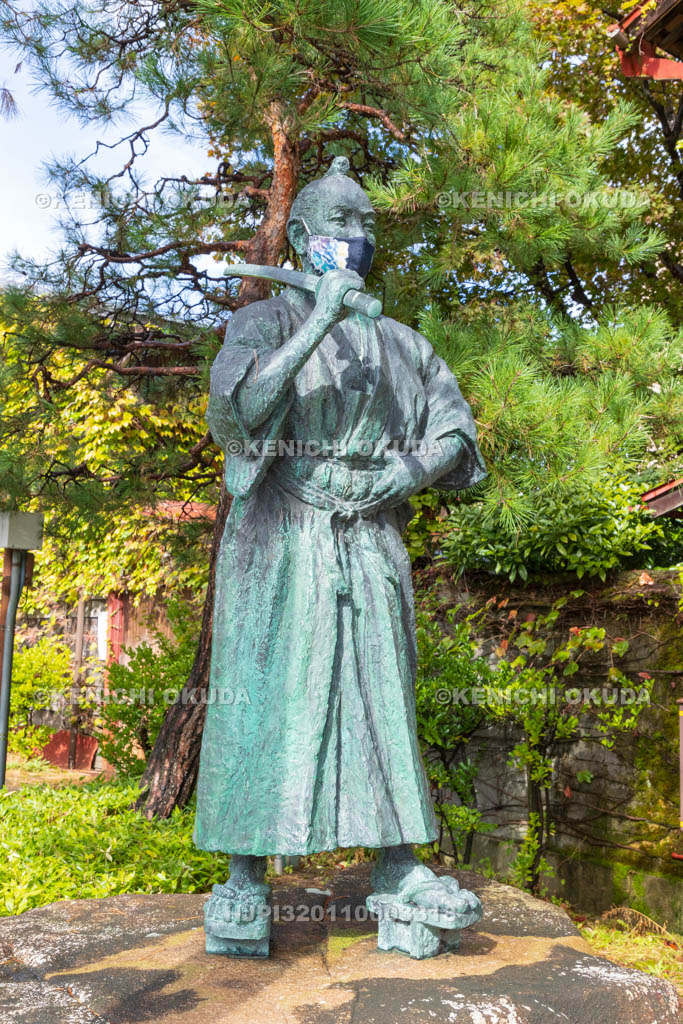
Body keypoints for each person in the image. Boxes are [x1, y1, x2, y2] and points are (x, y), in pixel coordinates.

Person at [194, 156, 486, 953]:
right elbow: (238, 415)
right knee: (262, 695)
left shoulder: (402, 341)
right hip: (282, 536)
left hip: (370, 533)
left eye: (366, 225)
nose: (355, 239)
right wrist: (318, 320)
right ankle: (244, 879)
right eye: (339, 223)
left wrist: (409, 470)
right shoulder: (262, 323)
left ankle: (398, 866)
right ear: (299, 236)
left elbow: (455, 433)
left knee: (380, 692)